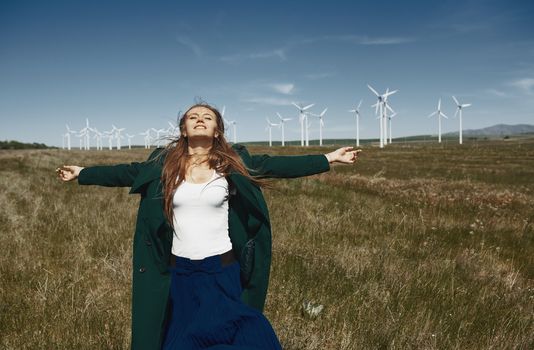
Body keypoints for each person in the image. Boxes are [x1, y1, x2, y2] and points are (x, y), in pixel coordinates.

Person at [56, 103, 361, 350]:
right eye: (192, 117)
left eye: (207, 117)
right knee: (180, 341)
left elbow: (278, 165)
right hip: (179, 274)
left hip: (222, 271)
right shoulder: (162, 165)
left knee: (248, 336)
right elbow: (124, 172)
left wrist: (329, 158)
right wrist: (82, 172)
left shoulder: (234, 162)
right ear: (184, 130)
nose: (199, 119)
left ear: (217, 131)